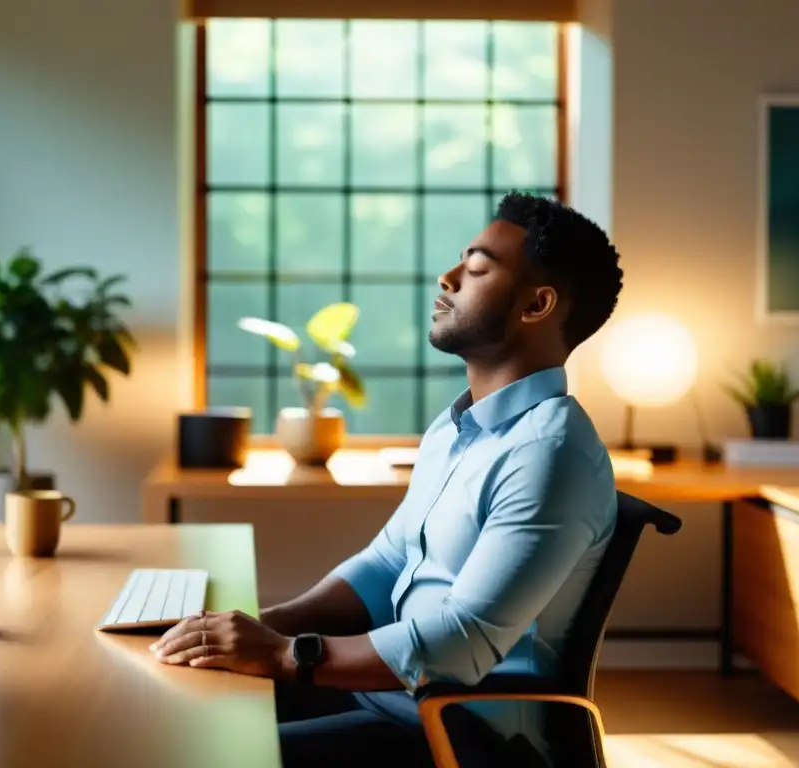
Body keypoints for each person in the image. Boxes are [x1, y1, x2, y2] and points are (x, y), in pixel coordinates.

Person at [149, 190, 624, 766]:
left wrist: (285, 655)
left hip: (464, 736)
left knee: (203, 754)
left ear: (536, 305)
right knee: (171, 708)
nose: (446, 279)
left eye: (475, 269)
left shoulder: (551, 451)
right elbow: (386, 565)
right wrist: (260, 627)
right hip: (388, 697)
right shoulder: (456, 429)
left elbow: (463, 639)